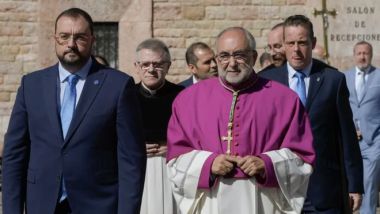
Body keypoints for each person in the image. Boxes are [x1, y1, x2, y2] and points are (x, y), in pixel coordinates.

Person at [2, 8, 146, 214]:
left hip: (97, 205)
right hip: (42, 204)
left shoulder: (118, 85)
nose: (71, 44)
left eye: (79, 37)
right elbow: (14, 156)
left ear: (92, 40)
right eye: (64, 37)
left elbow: (132, 160)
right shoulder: (31, 85)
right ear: (55, 39)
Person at [166, 26, 315, 214]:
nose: (232, 63)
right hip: (211, 199)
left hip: (262, 199)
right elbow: (175, 159)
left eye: (239, 55)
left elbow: (303, 157)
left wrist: (267, 164)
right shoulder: (187, 100)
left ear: (253, 57)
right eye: (224, 56)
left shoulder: (285, 99)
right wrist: (207, 164)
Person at [259, 15, 364, 214]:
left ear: (313, 43)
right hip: (278, 188)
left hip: (323, 190)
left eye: (302, 43)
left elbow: (347, 136)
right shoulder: (266, 82)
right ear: (283, 44)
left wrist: (355, 186)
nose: (296, 49)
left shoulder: (333, 80)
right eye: (290, 43)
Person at [133, 38, 184, 214]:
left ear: (168, 65)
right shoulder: (125, 97)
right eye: (145, 64)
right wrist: (136, 148)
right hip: (136, 170)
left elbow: (195, 136)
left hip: (173, 168)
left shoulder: (182, 96)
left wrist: (174, 147)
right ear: (137, 66)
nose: (151, 70)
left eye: (158, 64)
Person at [344, 41, 380, 214]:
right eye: (359, 53)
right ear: (354, 55)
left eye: (365, 53)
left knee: (370, 183)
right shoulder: (345, 77)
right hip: (350, 140)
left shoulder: (379, 77)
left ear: (371, 55)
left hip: (373, 141)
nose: (362, 57)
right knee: (348, 182)